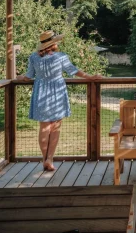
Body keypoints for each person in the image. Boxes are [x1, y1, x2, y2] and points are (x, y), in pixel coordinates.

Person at [17, 30, 101, 171]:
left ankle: (44, 159)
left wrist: (19, 78)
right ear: (54, 43)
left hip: (40, 92)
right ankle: (50, 158)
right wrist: (91, 76)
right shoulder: (60, 57)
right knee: (55, 127)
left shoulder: (33, 57)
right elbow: (74, 71)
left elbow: (28, 76)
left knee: (44, 127)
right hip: (57, 92)